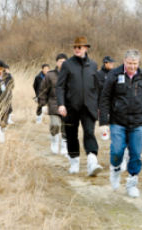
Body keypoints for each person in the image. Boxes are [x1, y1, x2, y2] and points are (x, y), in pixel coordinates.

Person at [99, 49, 142, 198]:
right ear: (124, 61)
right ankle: (115, 169)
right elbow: (104, 98)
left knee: (136, 154)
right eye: (129, 63)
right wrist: (103, 121)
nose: (132, 66)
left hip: (137, 123)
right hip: (118, 121)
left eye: (135, 64)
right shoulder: (114, 75)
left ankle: (132, 183)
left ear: (138, 63)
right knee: (117, 150)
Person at [57, 36, 102, 176]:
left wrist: (99, 105)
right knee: (71, 135)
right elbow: (60, 87)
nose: (77, 49)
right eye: (75, 47)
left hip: (89, 107)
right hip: (71, 107)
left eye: (80, 47)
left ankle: (92, 161)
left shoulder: (93, 65)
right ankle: (74, 161)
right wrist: (61, 104)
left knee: (89, 132)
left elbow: (97, 87)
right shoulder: (67, 65)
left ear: (86, 48)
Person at [39, 54, 68, 156]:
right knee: (55, 124)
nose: (62, 63)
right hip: (53, 103)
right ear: (56, 62)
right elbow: (42, 90)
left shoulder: (71, 74)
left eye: (64, 61)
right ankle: (54, 141)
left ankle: (64, 145)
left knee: (66, 127)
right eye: (60, 61)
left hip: (67, 105)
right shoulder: (50, 75)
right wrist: (43, 105)